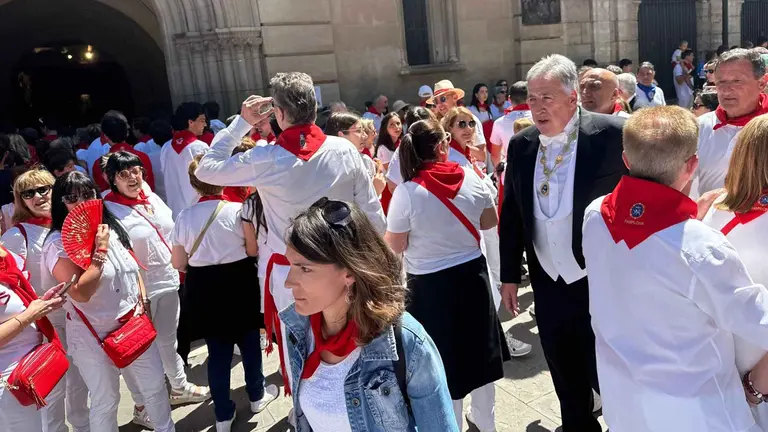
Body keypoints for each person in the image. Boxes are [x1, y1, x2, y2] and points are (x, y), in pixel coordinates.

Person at [194, 72, 386, 405]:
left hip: (291, 274)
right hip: (342, 269)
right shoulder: (344, 149)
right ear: (313, 107)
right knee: (349, 347)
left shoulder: (266, 157)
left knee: (299, 353)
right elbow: (375, 221)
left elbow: (206, 169)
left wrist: (242, 122)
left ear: (279, 114)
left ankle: (304, 416)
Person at [583, 105, 768, 432]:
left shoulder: (595, 214)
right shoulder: (702, 248)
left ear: (626, 159)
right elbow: (758, 321)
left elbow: (646, 245)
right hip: (698, 413)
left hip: (624, 401)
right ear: (693, 165)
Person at [500, 54, 628, 432]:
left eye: (548, 97)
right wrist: (510, 275)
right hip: (548, 283)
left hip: (599, 281)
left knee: (612, 379)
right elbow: (512, 213)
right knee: (567, 382)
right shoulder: (522, 144)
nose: (537, 107)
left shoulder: (612, 134)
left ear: (573, 98)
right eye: (532, 98)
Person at [279, 198, 456, 431]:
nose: (288, 282)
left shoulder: (407, 343)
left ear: (350, 272)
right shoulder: (298, 327)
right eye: (291, 266)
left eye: (305, 268)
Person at [384, 119, 508, 431]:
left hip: (429, 287)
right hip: (473, 277)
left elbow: (394, 246)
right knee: (481, 354)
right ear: (442, 147)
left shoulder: (407, 192)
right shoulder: (472, 177)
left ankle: (449, 423)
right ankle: (486, 422)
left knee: (440, 362)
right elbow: (489, 222)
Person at [43, 171, 175, 432]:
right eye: (71, 198)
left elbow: (132, 266)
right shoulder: (58, 243)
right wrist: (100, 251)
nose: (82, 203)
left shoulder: (109, 227)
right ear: (60, 203)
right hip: (91, 335)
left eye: (87, 194)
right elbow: (80, 293)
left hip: (133, 324)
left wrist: (143, 301)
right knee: (106, 400)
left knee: (155, 387)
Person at [171, 155, 277, 432]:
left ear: (194, 184)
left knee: (217, 352)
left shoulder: (184, 216)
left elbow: (178, 262)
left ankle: (222, 414)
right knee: (250, 342)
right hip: (240, 282)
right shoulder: (238, 210)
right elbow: (252, 249)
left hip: (204, 286)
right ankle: (257, 395)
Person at [102, 152, 210, 420]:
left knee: (168, 340)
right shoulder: (107, 209)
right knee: (139, 351)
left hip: (168, 279)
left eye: (136, 170)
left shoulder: (150, 195)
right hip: (139, 291)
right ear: (112, 179)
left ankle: (179, 386)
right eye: (123, 174)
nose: (132, 178)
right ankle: (141, 406)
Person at [0, 169, 89, 432]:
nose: (38, 197)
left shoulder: (69, 226)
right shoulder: (16, 236)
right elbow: (12, 285)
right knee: (51, 393)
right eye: (28, 193)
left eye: (43, 189)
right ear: (21, 200)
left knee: (80, 384)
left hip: (78, 317)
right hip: (45, 326)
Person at [702, 114, 768, 429]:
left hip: (719, 374)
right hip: (749, 382)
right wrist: (755, 386)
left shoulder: (711, 209)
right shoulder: (712, 208)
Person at [0, 243, 66, 431]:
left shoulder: (6, 260)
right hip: (9, 385)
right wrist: (30, 315)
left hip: (29, 374)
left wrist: (42, 304)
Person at [696, 48, 768, 196]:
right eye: (721, 82)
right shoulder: (699, 127)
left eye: (737, 81)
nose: (726, 90)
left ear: (762, 83)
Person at [160, 102, 209, 219]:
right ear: (190, 122)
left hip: (175, 213)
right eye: (202, 120)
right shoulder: (200, 147)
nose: (205, 124)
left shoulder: (166, 147)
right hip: (199, 212)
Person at [324, 112, 386, 197]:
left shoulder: (366, 162)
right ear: (341, 135)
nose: (365, 136)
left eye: (363, 131)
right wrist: (374, 192)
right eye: (358, 131)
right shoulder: (327, 169)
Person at [92, 115, 155, 193]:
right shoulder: (143, 156)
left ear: (105, 136)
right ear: (126, 133)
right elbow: (150, 187)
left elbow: (103, 192)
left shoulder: (100, 164)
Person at [428, 80, 487, 161]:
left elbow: (482, 155)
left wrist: (458, 146)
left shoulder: (470, 119)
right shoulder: (437, 124)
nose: (439, 105)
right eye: (436, 101)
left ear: (455, 97)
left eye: (442, 99)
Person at [490, 81, 532, 169]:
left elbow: (495, 155)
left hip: (511, 169)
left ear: (509, 99)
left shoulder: (499, 123)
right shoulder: (541, 119)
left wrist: (498, 172)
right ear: (530, 98)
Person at [83, 111, 120, 177]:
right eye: (124, 123)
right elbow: (96, 174)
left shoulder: (114, 141)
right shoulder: (99, 146)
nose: (128, 126)